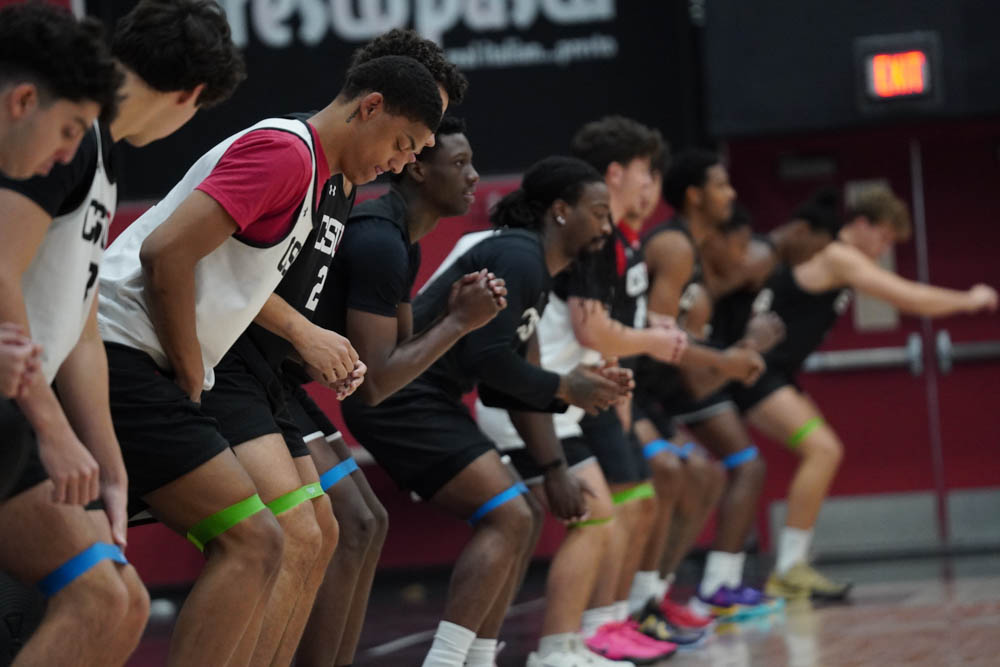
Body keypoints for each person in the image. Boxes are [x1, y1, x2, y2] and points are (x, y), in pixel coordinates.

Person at [96, 50, 441, 665]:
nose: (403, 163)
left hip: (169, 357)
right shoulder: (287, 152)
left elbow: (232, 283)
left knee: (297, 537)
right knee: (268, 540)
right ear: (370, 108)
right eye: (404, 142)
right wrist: (189, 371)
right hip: (127, 349)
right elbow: (166, 253)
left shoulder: (319, 176)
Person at [0, 2, 244, 665]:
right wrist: (50, 430)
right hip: (17, 406)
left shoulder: (97, 146)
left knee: (120, 599)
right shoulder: (67, 135)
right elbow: (1, 269)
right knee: (102, 598)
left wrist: (106, 456)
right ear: (192, 95)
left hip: (25, 403)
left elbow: (77, 321)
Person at [342, 156, 632, 667]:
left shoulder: (531, 268)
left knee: (522, 516)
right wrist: (567, 387)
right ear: (561, 212)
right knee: (510, 515)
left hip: (425, 399)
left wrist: (554, 465)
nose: (607, 227)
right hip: (400, 400)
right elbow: (488, 361)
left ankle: (477, 658)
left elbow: (510, 386)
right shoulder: (518, 257)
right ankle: (450, 661)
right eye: (599, 212)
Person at [719, 185, 998, 599]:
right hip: (758, 371)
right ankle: (788, 569)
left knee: (824, 452)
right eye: (883, 237)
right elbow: (908, 297)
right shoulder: (838, 256)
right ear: (861, 224)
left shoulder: (836, 258)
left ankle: (789, 566)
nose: (884, 247)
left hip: (776, 371)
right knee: (823, 450)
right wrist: (968, 299)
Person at [631, 149, 782, 618]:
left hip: (659, 394)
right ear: (694, 196)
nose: (731, 193)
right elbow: (666, 345)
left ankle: (654, 598)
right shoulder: (673, 247)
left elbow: (692, 368)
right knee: (692, 477)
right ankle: (637, 605)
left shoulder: (691, 254)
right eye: (721, 184)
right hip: (632, 388)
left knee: (707, 477)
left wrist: (737, 357)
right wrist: (739, 357)